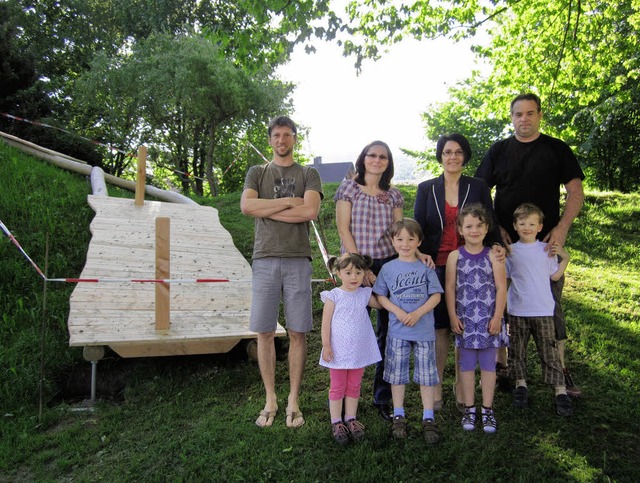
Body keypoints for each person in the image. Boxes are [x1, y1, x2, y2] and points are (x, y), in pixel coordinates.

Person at [475, 93, 585, 397]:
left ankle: (560, 369)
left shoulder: (556, 149)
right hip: (506, 246)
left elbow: (576, 191)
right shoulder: (498, 151)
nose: (524, 119)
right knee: (504, 302)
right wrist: (495, 229)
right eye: (518, 114)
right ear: (511, 117)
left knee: (551, 304)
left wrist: (562, 228)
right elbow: (481, 193)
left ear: (539, 115)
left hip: (545, 245)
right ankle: (507, 367)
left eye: (530, 113)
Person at [240, 116, 323, 428]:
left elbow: (311, 211)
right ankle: (270, 397)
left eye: (287, 135)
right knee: (263, 330)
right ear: (270, 139)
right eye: (276, 135)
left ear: (294, 139)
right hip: (264, 259)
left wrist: (268, 209)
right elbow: (247, 208)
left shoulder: (308, 173)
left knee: (298, 331)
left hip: (298, 259)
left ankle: (293, 399)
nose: (281, 140)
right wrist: (289, 202)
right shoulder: (257, 172)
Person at [414, 133, 503, 411]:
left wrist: (497, 245)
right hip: (437, 265)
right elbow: (417, 227)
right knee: (441, 328)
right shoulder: (426, 188)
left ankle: (462, 387)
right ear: (440, 156)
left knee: (464, 328)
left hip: (472, 264)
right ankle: (438, 385)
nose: (453, 156)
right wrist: (419, 252)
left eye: (458, 152)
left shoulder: (477, 186)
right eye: (447, 152)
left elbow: (490, 220)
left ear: (465, 157)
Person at [335, 140, 404, 421]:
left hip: (387, 265)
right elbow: (343, 228)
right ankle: (343, 396)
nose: (377, 160)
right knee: (349, 332)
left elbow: (399, 231)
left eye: (383, 157)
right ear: (363, 159)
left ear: (388, 163)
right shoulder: (349, 188)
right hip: (354, 265)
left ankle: (382, 396)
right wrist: (361, 269)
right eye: (372, 155)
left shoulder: (394, 195)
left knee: (387, 333)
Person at [372, 218, 443, 444]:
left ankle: (428, 416)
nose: (405, 243)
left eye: (410, 239)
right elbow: (381, 295)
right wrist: (397, 312)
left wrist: (418, 313)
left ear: (419, 241)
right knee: (397, 375)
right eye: (400, 239)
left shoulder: (426, 267)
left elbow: (436, 296)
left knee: (426, 376)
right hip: (397, 331)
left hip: (423, 331)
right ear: (392, 241)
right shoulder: (388, 268)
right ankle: (399, 414)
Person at [505, 203, 573, 417]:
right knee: (516, 350)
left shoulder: (546, 251)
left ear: (540, 226)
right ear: (515, 226)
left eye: (532, 223)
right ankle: (520, 385)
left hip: (543, 310)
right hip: (517, 310)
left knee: (549, 350)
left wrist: (566, 257)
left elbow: (554, 276)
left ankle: (560, 390)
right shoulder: (510, 252)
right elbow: (505, 280)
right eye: (522, 223)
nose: (527, 227)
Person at [445, 203, 508, 433]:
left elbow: (502, 288)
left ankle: (487, 409)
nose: (474, 230)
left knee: (489, 366)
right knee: (467, 365)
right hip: (465, 322)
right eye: (469, 226)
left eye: (479, 226)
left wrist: (497, 317)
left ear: (486, 228)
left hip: (489, 321)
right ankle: (470, 408)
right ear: (460, 229)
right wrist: (453, 316)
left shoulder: (494, 256)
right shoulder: (454, 257)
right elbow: (450, 288)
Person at [319, 253, 383, 445]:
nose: (354, 277)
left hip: (358, 351)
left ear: (364, 273)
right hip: (338, 351)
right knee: (338, 386)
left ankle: (351, 418)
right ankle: (336, 421)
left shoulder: (364, 294)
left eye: (358, 272)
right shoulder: (334, 296)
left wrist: (375, 284)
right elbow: (325, 323)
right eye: (348, 272)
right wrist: (326, 345)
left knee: (354, 385)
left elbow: (380, 305)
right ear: (338, 273)